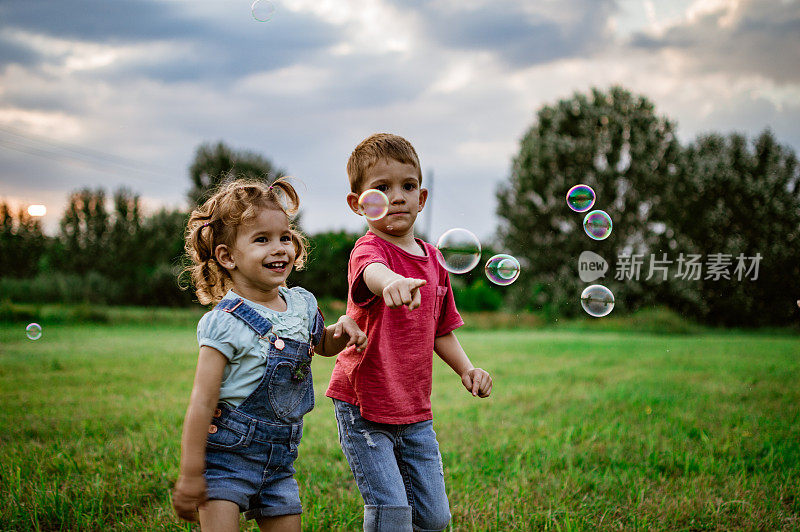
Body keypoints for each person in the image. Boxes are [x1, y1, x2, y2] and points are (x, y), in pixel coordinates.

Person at [172, 178, 367, 532]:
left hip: (280, 464)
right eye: (262, 239)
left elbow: (320, 344)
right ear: (227, 256)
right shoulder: (224, 322)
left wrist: (343, 329)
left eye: (285, 237)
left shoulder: (301, 303)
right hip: (225, 460)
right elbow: (202, 402)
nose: (279, 248)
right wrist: (190, 474)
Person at [326, 133, 493, 531]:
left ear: (422, 197)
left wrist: (467, 370)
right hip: (363, 406)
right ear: (357, 203)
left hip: (414, 409)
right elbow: (372, 274)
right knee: (392, 512)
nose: (397, 196)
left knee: (434, 518)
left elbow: (442, 330)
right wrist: (391, 283)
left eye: (407, 186)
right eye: (381, 188)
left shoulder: (435, 260)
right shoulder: (370, 252)